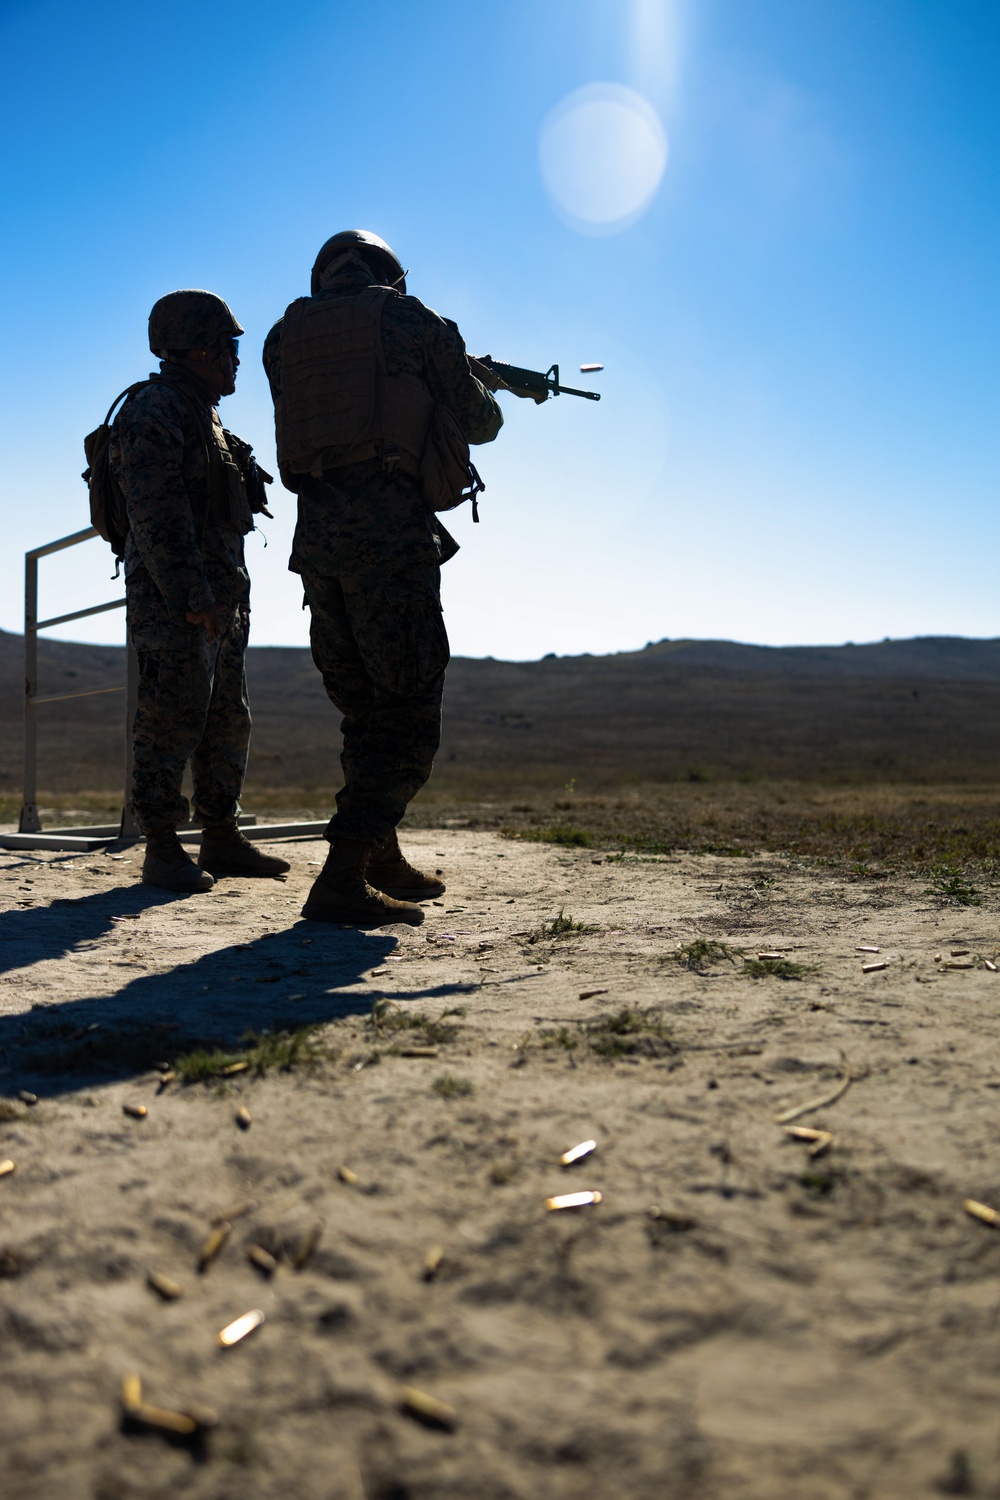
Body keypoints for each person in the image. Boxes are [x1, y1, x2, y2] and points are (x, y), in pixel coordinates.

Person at [263, 230, 503, 925]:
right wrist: (482, 385)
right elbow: (478, 422)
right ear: (390, 277)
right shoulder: (411, 318)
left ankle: (379, 856)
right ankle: (341, 877)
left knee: (364, 710)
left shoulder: (286, 336)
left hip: (318, 544)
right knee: (405, 713)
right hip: (389, 536)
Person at [112, 289, 290, 892]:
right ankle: (162, 846)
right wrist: (193, 596)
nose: (236, 359)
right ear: (196, 346)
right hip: (180, 603)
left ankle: (221, 835)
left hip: (220, 598)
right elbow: (155, 513)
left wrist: (220, 597)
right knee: (170, 717)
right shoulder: (156, 408)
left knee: (225, 718)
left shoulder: (203, 413)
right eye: (228, 346)